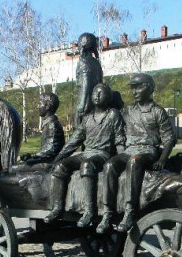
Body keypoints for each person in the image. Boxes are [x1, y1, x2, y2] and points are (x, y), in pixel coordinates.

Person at [97, 73, 176, 234]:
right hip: (130, 150)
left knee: (134, 161)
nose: (134, 92)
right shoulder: (128, 111)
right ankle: (107, 212)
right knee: (110, 164)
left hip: (148, 151)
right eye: (133, 88)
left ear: (149, 89)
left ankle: (130, 210)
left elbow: (169, 138)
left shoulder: (157, 111)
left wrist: (162, 159)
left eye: (138, 87)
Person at [46, 83, 125, 227]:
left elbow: (120, 139)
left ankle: (89, 210)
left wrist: (122, 160)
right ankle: (57, 208)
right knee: (60, 167)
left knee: (87, 164)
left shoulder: (113, 114)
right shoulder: (87, 118)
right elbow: (73, 141)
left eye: (101, 93)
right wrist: (56, 159)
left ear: (108, 96)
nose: (97, 95)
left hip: (103, 154)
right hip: (87, 152)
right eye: (95, 92)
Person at [19, 92, 65, 166]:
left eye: (40, 104)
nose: (38, 107)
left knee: (14, 168)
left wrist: (33, 155)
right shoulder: (49, 124)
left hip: (50, 163)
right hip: (45, 160)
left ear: (47, 106)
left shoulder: (52, 124)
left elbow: (51, 149)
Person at [74, 32, 104, 125]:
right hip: (94, 104)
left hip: (86, 104)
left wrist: (81, 106)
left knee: (80, 128)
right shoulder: (95, 62)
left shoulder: (84, 63)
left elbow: (85, 85)